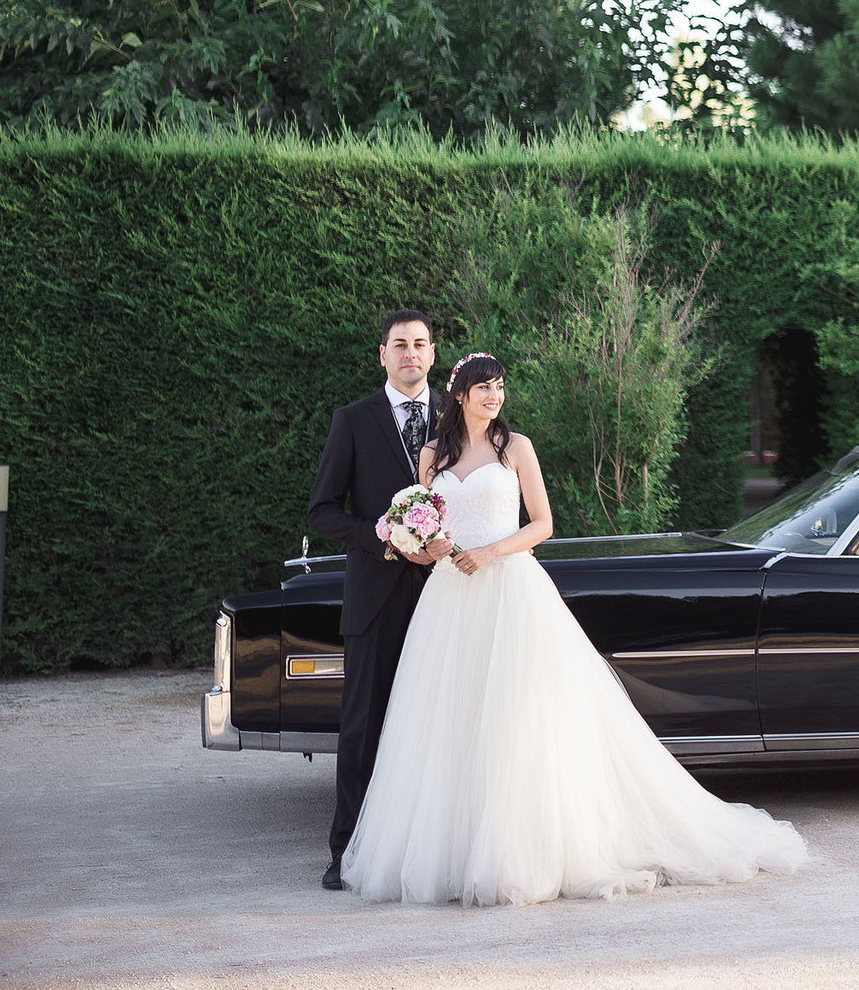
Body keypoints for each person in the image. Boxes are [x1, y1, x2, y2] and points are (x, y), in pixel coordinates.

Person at [340, 351, 805, 905]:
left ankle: (518, 851)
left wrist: (490, 552)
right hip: (449, 597)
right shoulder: (432, 454)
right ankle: (455, 854)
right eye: (484, 388)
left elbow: (543, 524)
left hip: (510, 588)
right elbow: (431, 523)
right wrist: (426, 544)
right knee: (451, 718)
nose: (495, 396)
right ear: (460, 394)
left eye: (500, 387)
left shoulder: (516, 447)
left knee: (516, 717)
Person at [305, 309, 450, 891]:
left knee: (443, 723)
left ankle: (434, 850)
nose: (411, 353)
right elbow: (322, 511)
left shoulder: (459, 416)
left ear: (433, 353)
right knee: (363, 727)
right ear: (383, 355)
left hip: (448, 597)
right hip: (375, 598)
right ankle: (347, 853)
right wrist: (384, 536)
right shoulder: (353, 420)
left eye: (420, 343)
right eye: (400, 344)